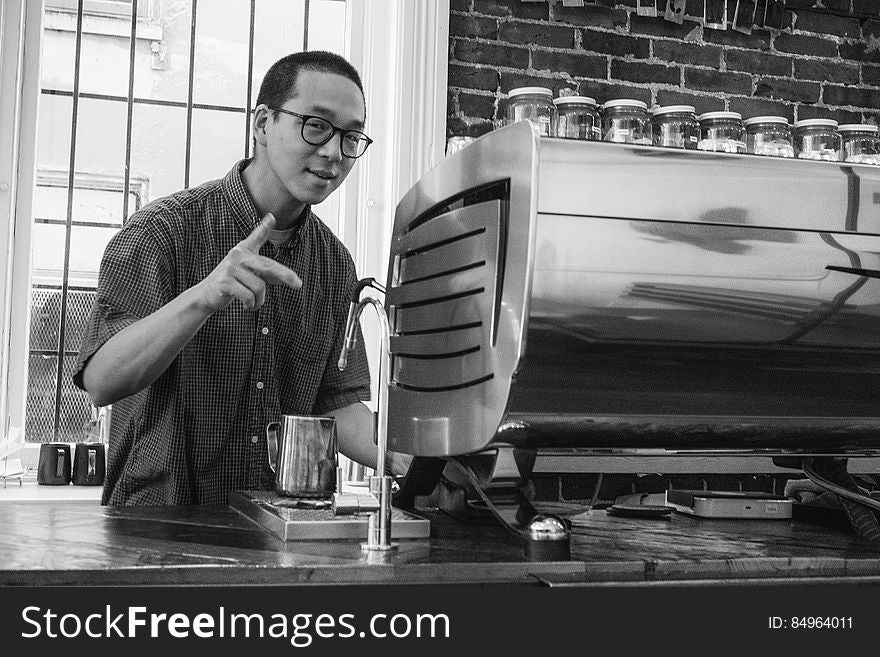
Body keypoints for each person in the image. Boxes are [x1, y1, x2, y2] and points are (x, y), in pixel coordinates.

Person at [74, 51, 382, 506]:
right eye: (316, 126)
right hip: (157, 533)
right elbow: (102, 380)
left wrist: (416, 460)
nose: (334, 152)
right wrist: (205, 296)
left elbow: (339, 403)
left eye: (351, 136)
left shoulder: (334, 264)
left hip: (277, 537)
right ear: (262, 123)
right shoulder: (162, 231)